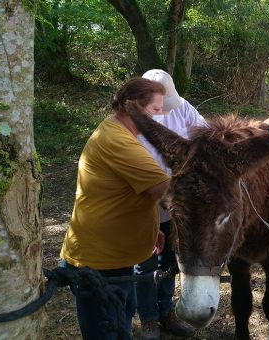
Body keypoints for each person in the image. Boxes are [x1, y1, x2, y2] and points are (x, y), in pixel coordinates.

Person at [59, 77, 171, 340]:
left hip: (115, 255)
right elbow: (165, 190)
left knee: (122, 321)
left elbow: (127, 192)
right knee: (107, 330)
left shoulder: (119, 132)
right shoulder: (117, 141)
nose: (161, 116)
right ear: (132, 108)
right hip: (99, 262)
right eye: (156, 110)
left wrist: (151, 228)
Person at [134, 69, 208, 339]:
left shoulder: (183, 108)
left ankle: (166, 312)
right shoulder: (134, 120)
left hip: (177, 197)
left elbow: (206, 134)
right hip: (146, 199)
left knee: (170, 258)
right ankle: (148, 318)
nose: (162, 110)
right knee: (145, 261)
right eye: (156, 105)